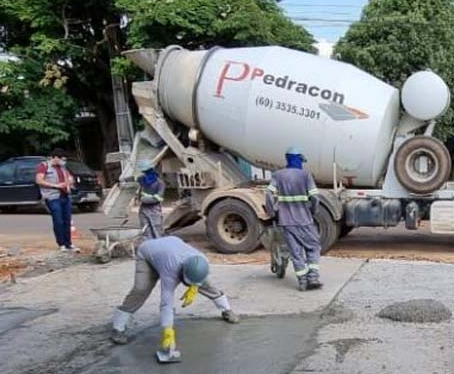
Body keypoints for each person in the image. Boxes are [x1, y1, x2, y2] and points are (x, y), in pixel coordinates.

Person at [110, 236, 239, 358]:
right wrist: (168, 330)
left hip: (171, 246)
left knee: (207, 285)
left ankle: (226, 310)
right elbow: (167, 302)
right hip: (148, 255)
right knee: (141, 289)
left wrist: (195, 287)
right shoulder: (170, 271)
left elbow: (201, 278)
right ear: (182, 272)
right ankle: (118, 327)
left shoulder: (202, 260)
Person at [265, 146, 322, 291]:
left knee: (295, 252)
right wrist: (313, 211)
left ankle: (302, 282)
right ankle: (313, 278)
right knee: (313, 247)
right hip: (304, 220)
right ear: (299, 159)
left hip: (286, 222)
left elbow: (268, 194)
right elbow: (315, 197)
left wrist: (273, 212)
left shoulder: (278, 175)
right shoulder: (305, 175)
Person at [37, 148, 77, 252]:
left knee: (67, 220)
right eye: (62, 159)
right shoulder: (44, 166)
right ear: (55, 157)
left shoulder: (63, 167)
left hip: (65, 196)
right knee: (58, 220)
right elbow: (39, 180)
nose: (63, 161)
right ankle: (61, 244)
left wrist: (70, 182)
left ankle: (69, 243)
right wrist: (56, 186)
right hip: (52, 197)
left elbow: (69, 177)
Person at [136, 159, 165, 239]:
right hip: (143, 209)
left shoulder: (159, 183)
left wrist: (143, 198)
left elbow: (158, 198)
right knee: (145, 231)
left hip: (154, 209)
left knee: (157, 231)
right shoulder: (141, 180)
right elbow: (135, 188)